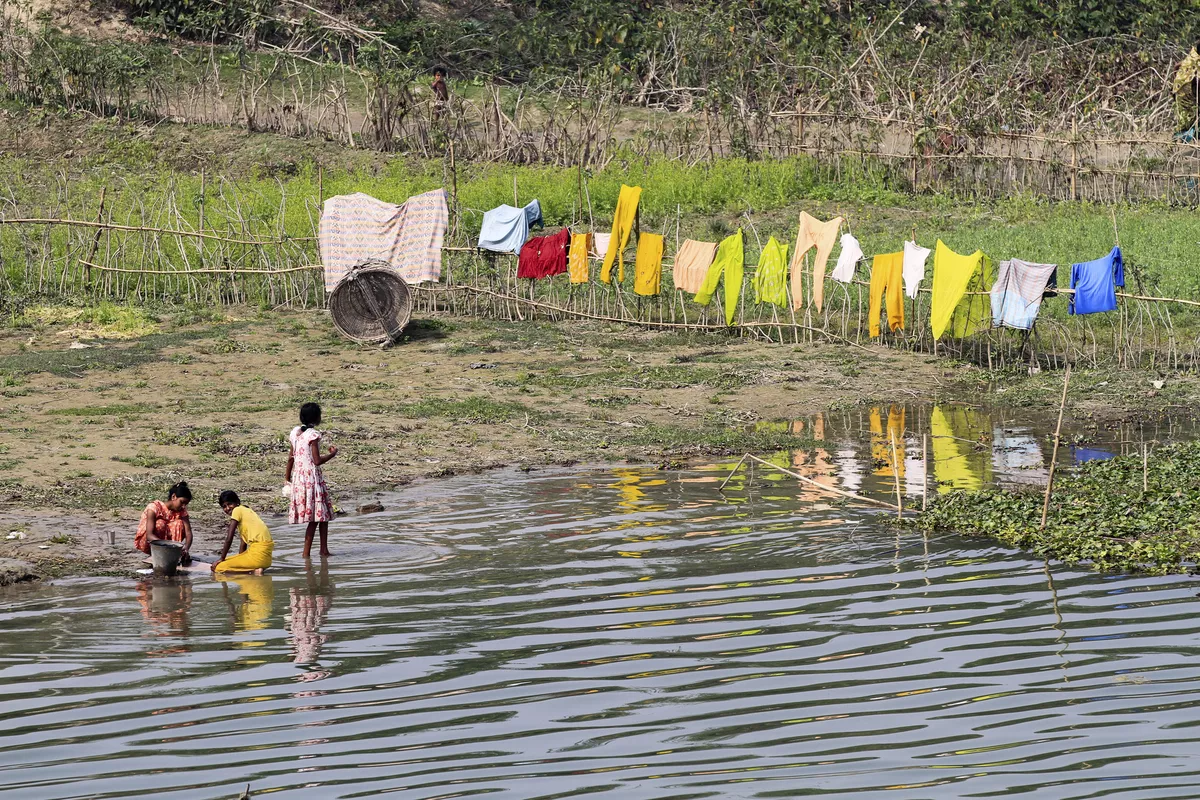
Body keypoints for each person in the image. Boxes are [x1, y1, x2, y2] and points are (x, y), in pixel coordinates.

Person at [287, 402, 337, 559]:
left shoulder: (295, 433)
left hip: (299, 478)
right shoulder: (313, 435)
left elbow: (291, 457)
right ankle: (306, 553)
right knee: (315, 518)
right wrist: (332, 454)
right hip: (312, 480)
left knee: (323, 516)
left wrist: (287, 477)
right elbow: (316, 461)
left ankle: (323, 550)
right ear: (317, 418)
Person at [212, 490, 273, 574]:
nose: (227, 508)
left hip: (258, 554)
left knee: (218, 568)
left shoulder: (237, 510)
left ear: (237, 502)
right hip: (265, 559)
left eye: (229, 504)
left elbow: (229, 538)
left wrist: (221, 558)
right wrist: (241, 559)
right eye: (224, 506)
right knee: (229, 560)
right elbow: (243, 543)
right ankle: (252, 569)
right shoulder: (246, 511)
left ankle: (253, 571)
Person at [135, 481, 193, 562]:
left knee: (179, 524)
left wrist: (186, 548)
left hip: (169, 546)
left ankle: (172, 554)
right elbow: (149, 535)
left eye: (186, 504)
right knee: (160, 524)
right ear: (173, 497)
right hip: (150, 542)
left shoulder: (182, 511)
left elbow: (188, 533)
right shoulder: (154, 507)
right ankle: (160, 553)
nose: (183, 506)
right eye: (182, 502)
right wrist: (167, 546)